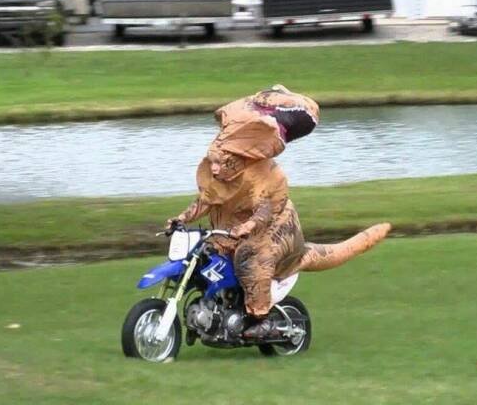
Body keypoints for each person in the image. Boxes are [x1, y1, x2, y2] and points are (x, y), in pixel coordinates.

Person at [166, 86, 390, 338]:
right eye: (213, 162)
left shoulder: (263, 176)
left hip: (274, 232)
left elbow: (263, 212)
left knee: (250, 256)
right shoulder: (222, 177)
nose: (214, 169)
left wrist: (247, 227)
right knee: (205, 254)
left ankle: (259, 316)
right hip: (233, 231)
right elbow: (206, 201)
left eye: (220, 163)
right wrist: (181, 218)